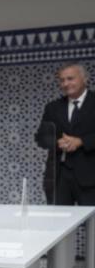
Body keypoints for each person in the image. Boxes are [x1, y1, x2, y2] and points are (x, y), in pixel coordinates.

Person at [36, 63, 94, 205]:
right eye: (62, 80)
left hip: (91, 176)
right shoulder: (52, 107)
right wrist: (57, 142)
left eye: (70, 78)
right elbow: (40, 137)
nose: (65, 83)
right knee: (59, 223)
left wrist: (81, 141)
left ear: (84, 79)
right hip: (59, 176)